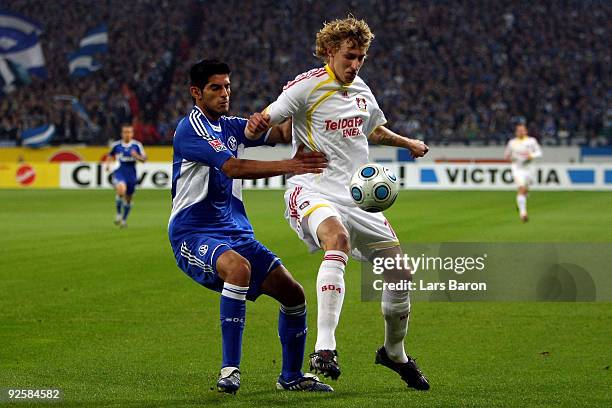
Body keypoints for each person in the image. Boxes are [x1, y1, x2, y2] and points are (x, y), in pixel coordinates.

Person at [248, 16, 430, 390]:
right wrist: (256, 123)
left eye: (361, 57)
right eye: (349, 56)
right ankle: (324, 348)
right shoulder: (306, 87)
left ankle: (394, 353)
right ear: (330, 51)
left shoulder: (362, 89)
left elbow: (373, 129)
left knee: (400, 273)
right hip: (313, 189)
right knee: (338, 241)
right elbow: (268, 119)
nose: (355, 64)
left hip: (357, 198)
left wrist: (407, 142)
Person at [168, 59, 333, 394]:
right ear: (196, 92)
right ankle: (230, 370)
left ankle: (291, 377)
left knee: (294, 294)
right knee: (239, 270)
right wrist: (291, 165)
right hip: (193, 232)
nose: (225, 93)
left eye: (228, 86)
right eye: (216, 87)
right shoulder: (192, 128)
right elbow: (231, 166)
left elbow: (279, 132)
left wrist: (301, 105)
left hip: (236, 233)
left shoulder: (229, 126)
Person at [105, 124, 146, 228]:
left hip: (131, 174)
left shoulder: (137, 145)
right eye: (125, 132)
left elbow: (144, 159)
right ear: (122, 134)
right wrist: (108, 165)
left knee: (128, 199)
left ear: (132, 133)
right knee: (121, 190)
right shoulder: (116, 145)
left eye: (129, 132)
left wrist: (136, 156)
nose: (127, 134)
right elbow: (110, 155)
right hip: (120, 172)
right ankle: (118, 214)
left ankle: (123, 219)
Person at [504, 123, 543, 222]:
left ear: (526, 131)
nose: (520, 132)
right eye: (518, 130)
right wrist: (512, 157)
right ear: (516, 132)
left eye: (522, 130)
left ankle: (521, 202)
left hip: (529, 168)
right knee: (521, 188)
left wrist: (531, 156)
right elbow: (506, 155)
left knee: (525, 190)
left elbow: (539, 152)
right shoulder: (512, 143)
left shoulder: (531, 141)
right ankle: (523, 213)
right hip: (517, 168)